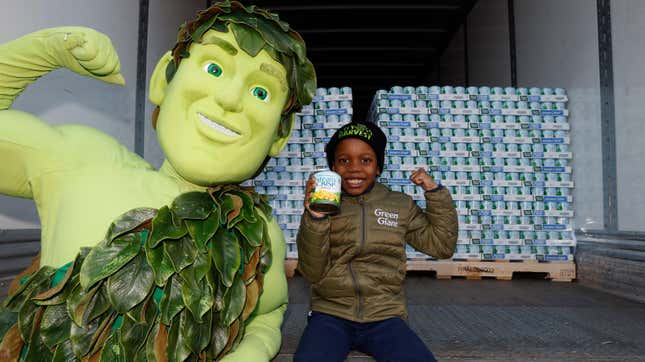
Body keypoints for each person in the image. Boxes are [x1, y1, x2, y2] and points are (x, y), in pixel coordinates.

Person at [0, 2, 315, 360]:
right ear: (163, 79)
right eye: (214, 68)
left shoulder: (253, 228)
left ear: (279, 136)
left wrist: (252, 351)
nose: (229, 98)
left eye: (261, 92)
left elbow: (268, 311)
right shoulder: (83, 161)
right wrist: (45, 49)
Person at [294, 121, 458, 362]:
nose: (354, 169)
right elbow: (312, 271)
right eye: (344, 160)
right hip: (330, 313)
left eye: (365, 160)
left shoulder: (399, 205)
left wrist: (435, 193)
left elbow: (441, 246)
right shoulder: (324, 206)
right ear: (332, 167)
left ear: (378, 167)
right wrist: (315, 218)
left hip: (385, 315)